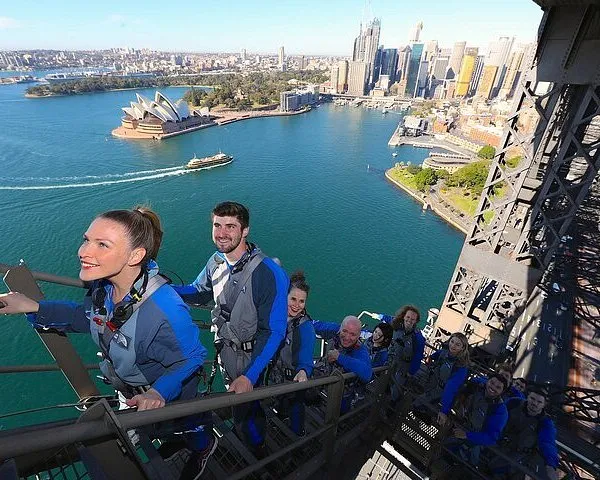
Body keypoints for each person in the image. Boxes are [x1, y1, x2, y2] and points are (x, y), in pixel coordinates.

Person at [0, 207, 215, 478]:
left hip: (168, 395)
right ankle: (173, 439)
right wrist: (34, 307)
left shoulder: (167, 307)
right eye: (86, 239)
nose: (84, 251)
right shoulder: (104, 288)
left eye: (102, 244)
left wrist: (158, 393)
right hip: (132, 389)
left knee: (191, 427)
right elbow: (90, 317)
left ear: (135, 255)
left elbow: (192, 357)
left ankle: (204, 447)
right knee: (163, 428)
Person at [173, 201, 288, 453]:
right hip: (225, 350)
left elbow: (274, 330)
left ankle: (258, 451)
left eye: (230, 226)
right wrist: (163, 290)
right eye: (217, 225)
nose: (222, 233)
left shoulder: (268, 273)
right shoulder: (216, 261)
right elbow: (200, 291)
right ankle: (243, 434)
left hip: (251, 357)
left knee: (249, 405)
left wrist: (250, 374)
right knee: (235, 401)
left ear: (245, 230)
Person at [266, 271, 316, 436]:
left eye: (302, 301)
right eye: (293, 299)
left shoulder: (305, 327)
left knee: (295, 410)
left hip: (294, 380)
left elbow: (306, 357)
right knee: (277, 407)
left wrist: (303, 370)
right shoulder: (275, 316)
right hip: (274, 376)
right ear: (285, 297)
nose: (297, 305)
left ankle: (297, 440)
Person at [488, 386, 559, 480]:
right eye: (532, 399)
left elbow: (547, 442)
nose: (534, 403)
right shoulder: (514, 403)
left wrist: (550, 465)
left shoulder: (545, 423)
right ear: (527, 397)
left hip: (516, 458)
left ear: (544, 405)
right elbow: (496, 412)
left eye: (539, 402)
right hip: (496, 443)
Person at [441, 374, 509, 471]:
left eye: (498, 387)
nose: (493, 387)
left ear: (502, 392)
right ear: (487, 381)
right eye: (492, 383)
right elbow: (458, 385)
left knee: (459, 465)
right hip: (460, 427)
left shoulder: (500, 411)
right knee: (443, 448)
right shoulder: (477, 387)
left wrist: (467, 435)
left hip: (474, 442)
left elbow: (491, 438)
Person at [312, 315, 373, 412]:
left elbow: (367, 374)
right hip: (323, 378)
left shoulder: (360, 350)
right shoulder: (334, 330)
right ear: (340, 328)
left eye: (353, 334)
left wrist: (339, 357)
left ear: (359, 336)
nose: (347, 337)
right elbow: (313, 325)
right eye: (344, 331)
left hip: (342, 391)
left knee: (340, 411)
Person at [413, 332, 470, 425]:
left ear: (462, 348)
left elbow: (451, 388)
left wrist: (444, 410)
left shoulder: (461, 366)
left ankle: (430, 420)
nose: (453, 346)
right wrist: (430, 357)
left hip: (441, 392)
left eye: (458, 344)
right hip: (432, 384)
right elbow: (436, 355)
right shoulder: (445, 352)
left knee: (417, 405)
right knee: (417, 401)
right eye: (452, 342)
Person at [384, 306, 426, 404]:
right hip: (392, 360)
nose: (409, 320)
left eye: (412, 319)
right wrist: (378, 316)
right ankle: (385, 393)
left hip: (403, 366)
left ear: (416, 321)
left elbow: (418, 356)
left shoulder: (418, 338)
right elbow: (388, 318)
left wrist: (411, 371)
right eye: (408, 317)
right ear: (403, 317)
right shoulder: (397, 325)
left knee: (397, 387)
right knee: (387, 379)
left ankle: (392, 405)